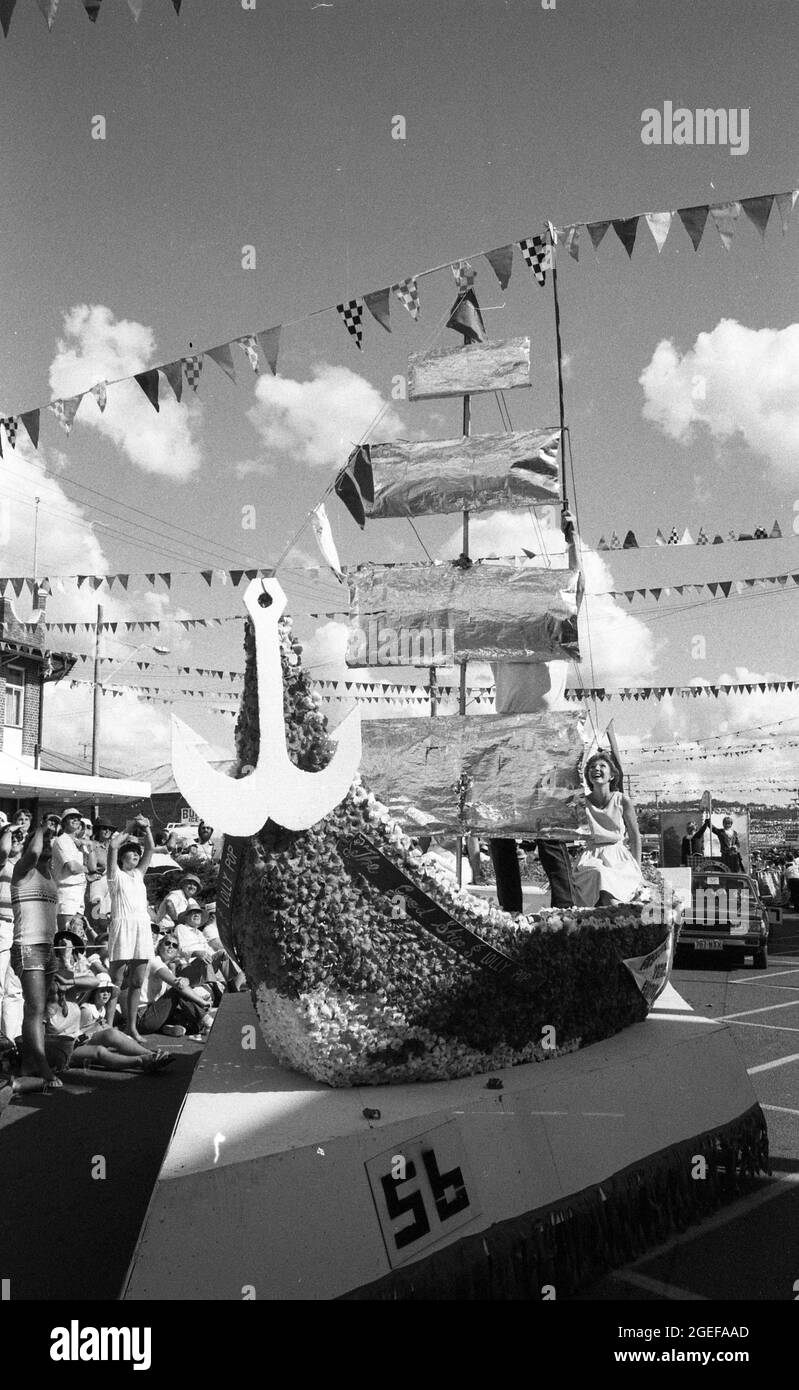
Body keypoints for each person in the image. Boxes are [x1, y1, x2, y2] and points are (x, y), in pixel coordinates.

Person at [10, 822, 62, 1085]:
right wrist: (41, 828)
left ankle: (29, 1063)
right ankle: (43, 1067)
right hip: (27, 946)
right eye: (44, 842)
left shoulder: (50, 875)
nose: (47, 846)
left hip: (47, 947)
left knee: (40, 1010)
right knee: (35, 1008)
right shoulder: (22, 870)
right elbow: (32, 854)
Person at [44, 979, 173, 1075]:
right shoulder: (43, 1010)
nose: (62, 993)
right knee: (99, 1051)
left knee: (111, 1033)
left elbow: (94, 981)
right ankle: (143, 1061)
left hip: (78, 1038)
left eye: (63, 990)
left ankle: (151, 1054)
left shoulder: (70, 999)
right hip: (60, 1049)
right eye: (58, 991)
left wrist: (69, 980)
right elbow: (40, 1040)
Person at [571, 752, 647, 908]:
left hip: (619, 857)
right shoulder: (582, 803)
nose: (596, 769)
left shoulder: (622, 800)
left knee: (612, 894)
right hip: (591, 857)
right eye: (592, 767)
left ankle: (617, 919)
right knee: (598, 874)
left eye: (602, 766)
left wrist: (637, 869)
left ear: (612, 775)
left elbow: (634, 836)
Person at [106, 821, 155, 1043]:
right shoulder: (114, 875)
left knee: (137, 981)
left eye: (137, 854)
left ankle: (131, 1028)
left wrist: (146, 830)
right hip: (122, 926)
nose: (135, 856)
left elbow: (151, 848)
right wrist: (129, 827)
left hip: (141, 928)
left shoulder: (138, 874)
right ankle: (107, 1027)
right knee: (116, 980)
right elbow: (112, 846)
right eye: (131, 854)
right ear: (122, 858)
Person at [138, 935, 213, 1038]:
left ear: (177, 951)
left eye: (174, 945)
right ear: (159, 946)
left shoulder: (166, 969)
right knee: (178, 991)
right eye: (167, 943)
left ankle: (169, 1028)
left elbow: (177, 988)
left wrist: (185, 980)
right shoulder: (155, 961)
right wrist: (201, 1001)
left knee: (189, 1019)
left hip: (154, 1012)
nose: (171, 947)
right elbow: (177, 986)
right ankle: (208, 1022)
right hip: (142, 1016)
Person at [0, 823, 24, 1042]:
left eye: (20, 837)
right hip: (1, 925)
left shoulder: (27, 868)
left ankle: (12, 1039)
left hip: (20, 928)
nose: (16, 839)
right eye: (12, 837)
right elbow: (4, 851)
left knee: (14, 990)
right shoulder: (2, 862)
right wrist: (9, 830)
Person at [50, 807, 88, 931]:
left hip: (79, 891)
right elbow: (72, 868)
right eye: (72, 818)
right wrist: (86, 869)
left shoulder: (77, 842)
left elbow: (92, 865)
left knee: (77, 933)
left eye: (78, 818)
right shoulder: (61, 840)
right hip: (67, 892)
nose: (75, 820)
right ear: (64, 822)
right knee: (66, 934)